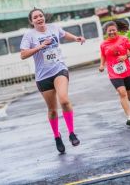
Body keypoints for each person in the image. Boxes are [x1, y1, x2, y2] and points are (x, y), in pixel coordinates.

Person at [20, 8, 85, 154]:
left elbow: (63, 34)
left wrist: (76, 38)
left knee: (64, 101)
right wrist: (40, 47)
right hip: (43, 77)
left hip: (59, 69)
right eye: (35, 17)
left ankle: (72, 133)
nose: (39, 18)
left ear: (44, 17)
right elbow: (23, 55)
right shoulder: (29, 35)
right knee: (52, 110)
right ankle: (57, 136)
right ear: (31, 21)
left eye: (40, 16)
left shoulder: (53, 28)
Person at [99, 21, 130, 127]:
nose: (112, 32)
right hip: (113, 73)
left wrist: (125, 56)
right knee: (122, 92)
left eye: (113, 30)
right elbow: (103, 55)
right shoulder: (103, 44)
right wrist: (102, 65)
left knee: (129, 96)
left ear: (117, 30)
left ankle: (126, 101)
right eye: (109, 31)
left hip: (127, 71)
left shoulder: (124, 39)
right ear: (106, 32)